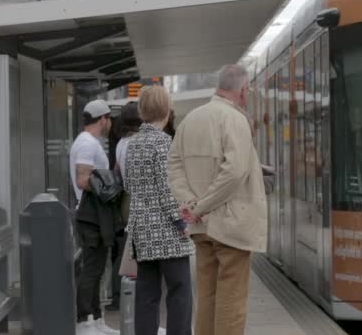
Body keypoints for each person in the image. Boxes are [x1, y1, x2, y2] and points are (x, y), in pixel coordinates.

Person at [168, 64, 267, 335]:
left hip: (201, 228)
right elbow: (235, 171)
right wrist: (201, 206)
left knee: (207, 297)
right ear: (243, 89)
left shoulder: (191, 120)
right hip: (231, 226)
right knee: (231, 302)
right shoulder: (235, 120)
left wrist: (190, 205)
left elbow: (173, 166)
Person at [124, 86, 194, 335]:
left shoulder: (133, 145)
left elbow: (128, 185)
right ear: (166, 110)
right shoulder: (164, 142)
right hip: (167, 234)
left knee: (146, 294)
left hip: (142, 233)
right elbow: (168, 190)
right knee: (180, 291)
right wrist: (181, 223)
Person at [70, 99, 120, 335]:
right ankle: (84, 322)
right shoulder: (87, 144)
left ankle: (96, 319)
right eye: (108, 119)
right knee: (92, 269)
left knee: (98, 267)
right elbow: (83, 179)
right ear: (103, 119)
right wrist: (109, 186)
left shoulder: (89, 142)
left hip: (95, 214)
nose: (109, 123)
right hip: (91, 215)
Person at [105, 101, 141, 312]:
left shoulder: (120, 144)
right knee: (130, 251)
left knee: (126, 248)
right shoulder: (137, 142)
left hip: (126, 200)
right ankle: (122, 295)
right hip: (137, 198)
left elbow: (117, 171)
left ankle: (120, 293)